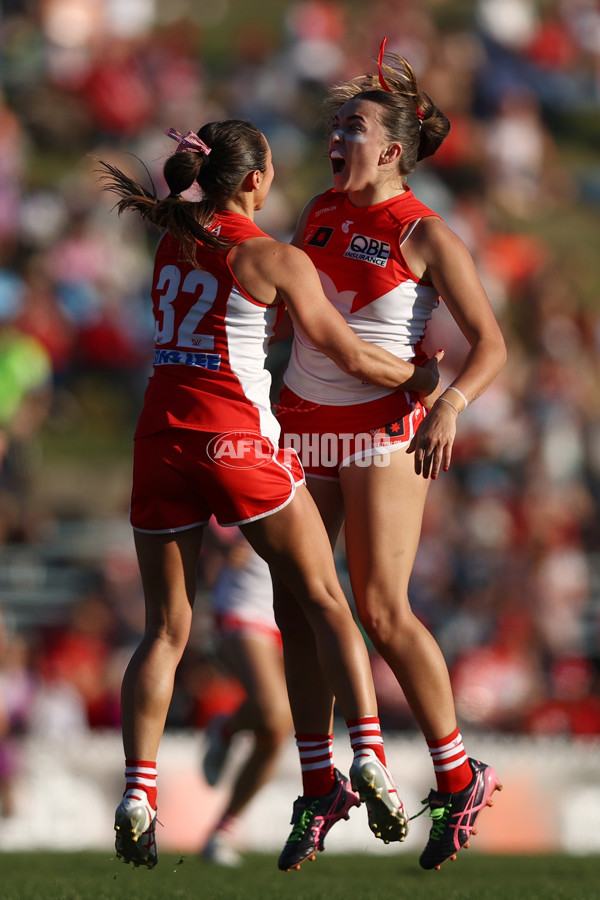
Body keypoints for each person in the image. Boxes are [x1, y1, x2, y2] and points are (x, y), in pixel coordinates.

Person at [96, 118, 442, 870]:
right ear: (254, 180)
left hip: (159, 441)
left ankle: (137, 795)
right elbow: (345, 350)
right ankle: (370, 759)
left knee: (163, 631)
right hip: (234, 441)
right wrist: (416, 379)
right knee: (324, 599)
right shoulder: (271, 255)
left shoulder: (169, 238)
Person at [273, 41, 507, 872]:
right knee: (297, 607)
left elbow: (491, 345)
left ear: (393, 149)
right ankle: (318, 785)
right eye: (335, 123)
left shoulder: (424, 232)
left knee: (378, 607)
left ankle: (458, 774)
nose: (338, 135)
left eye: (355, 126)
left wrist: (449, 402)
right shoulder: (317, 210)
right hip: (303, 426)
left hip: (380, 429)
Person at [200, 533, 292, 867]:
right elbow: (208, 501)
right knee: (272, 711)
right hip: (247, 603)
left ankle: (222, 831)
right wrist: (222, 543)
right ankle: (227, 729)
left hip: (298, 608)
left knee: (275, 734)